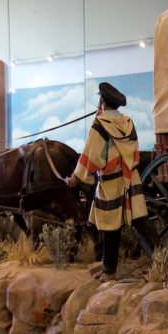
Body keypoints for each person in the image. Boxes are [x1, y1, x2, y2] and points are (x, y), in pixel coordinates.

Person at [65, 82, 147, 280]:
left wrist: (75, 179)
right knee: (136, 223)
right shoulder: (128, 122)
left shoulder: (99, 125)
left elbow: (90, 155)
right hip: (130, 178)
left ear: (102, 101)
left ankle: (109, 270)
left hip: (110, 182)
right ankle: (113, 265)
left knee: (109, 227)